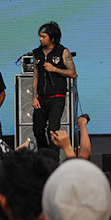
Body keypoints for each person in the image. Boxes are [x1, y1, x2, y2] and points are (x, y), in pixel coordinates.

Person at [31, 21, 77, 158]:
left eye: (43, 36)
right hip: (41, 98)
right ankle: (43, 156)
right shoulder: (37, 53)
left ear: (52, 38)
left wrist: (55, 69)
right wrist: (34, 97)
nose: (40, 39)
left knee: (52, 130)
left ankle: (53, 160)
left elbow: (73, 73)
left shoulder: (63, 51)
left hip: (57, 97)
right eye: (40, 36)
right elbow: (35, 76)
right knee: (38, 130)